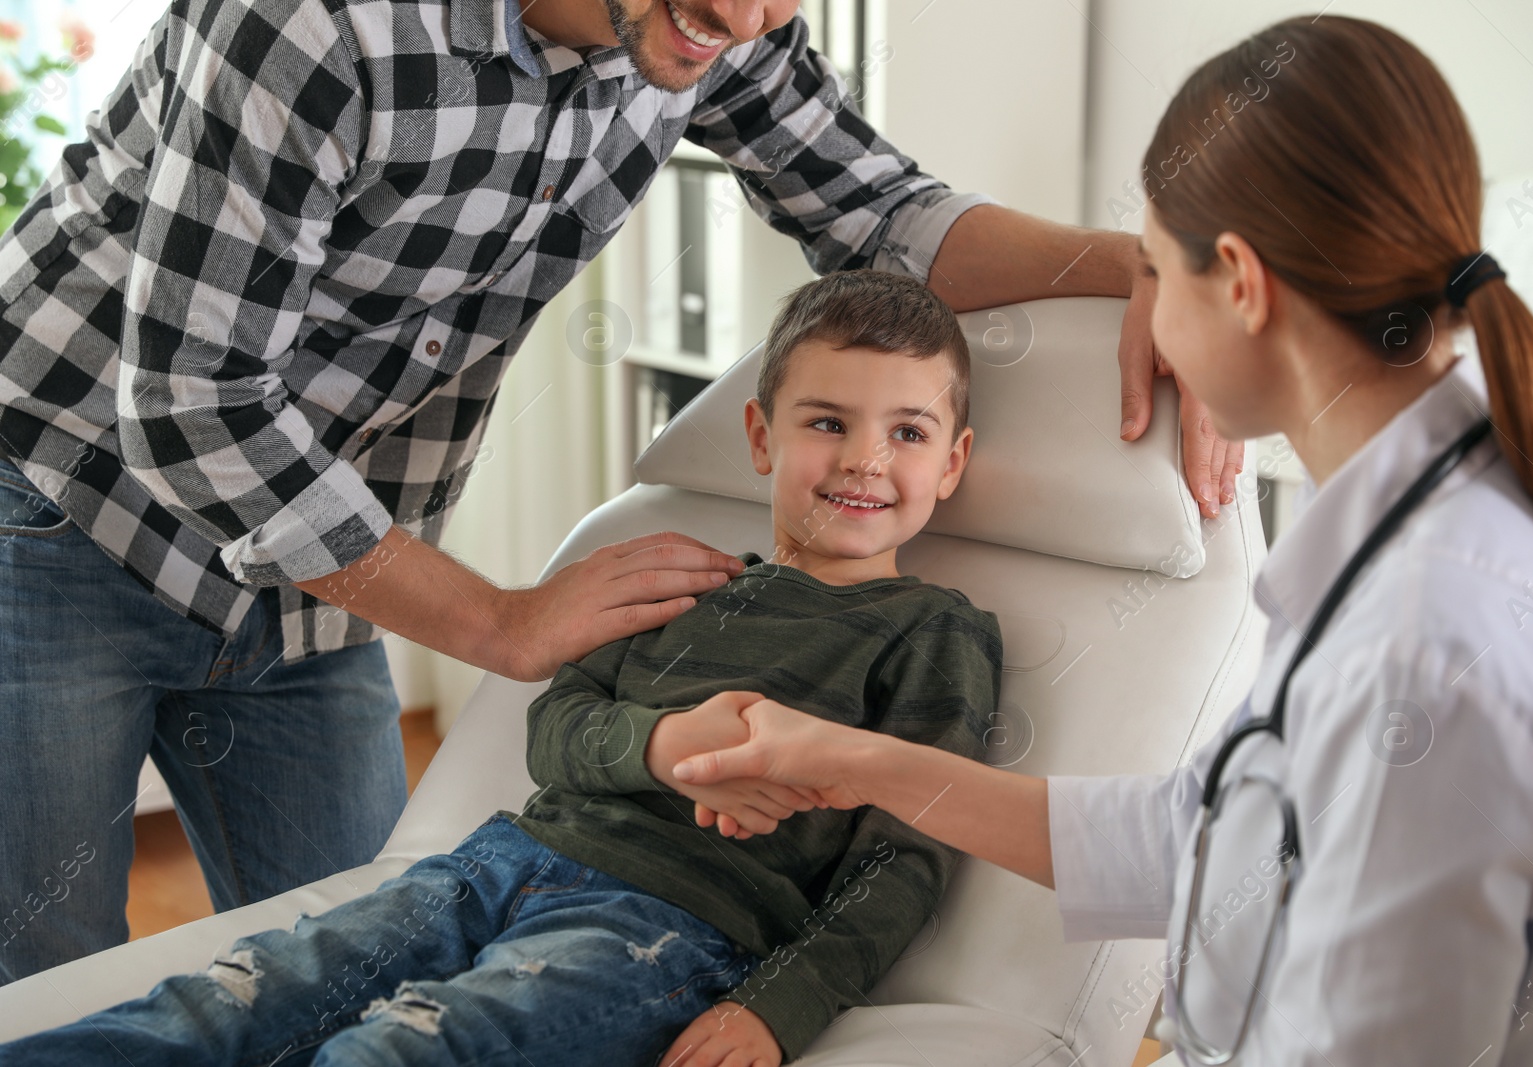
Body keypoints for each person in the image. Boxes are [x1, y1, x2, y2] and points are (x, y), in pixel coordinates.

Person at [0, 0, 1238, 984]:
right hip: (58, 512)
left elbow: (887, 215)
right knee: (42, 968)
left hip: (324, 569)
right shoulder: (315, 20)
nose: (751, 16)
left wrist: (1145, 266)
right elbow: (193, 402)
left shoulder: (713, 20)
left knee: (356, 963)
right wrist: (498, 622)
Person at [670, 16, 1533, 1064]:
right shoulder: (1412, 539)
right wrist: (852, 758)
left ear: (1241, 283)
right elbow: (1199, 839)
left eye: (1150, 267)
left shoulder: (1425, 647)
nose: (1140, 316)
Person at [0, 269, 1005, 1066]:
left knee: (387, 1052)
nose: (865, 459)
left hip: (671, 931)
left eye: (906, 433)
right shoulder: (677, 577)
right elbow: (557, 732)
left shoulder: (930, 633)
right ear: (760, 434)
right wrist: (659, 743)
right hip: (492, 865)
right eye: (827, 421)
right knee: (230, 1000)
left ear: (952, 462)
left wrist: (780, 1006)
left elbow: (906, 852)